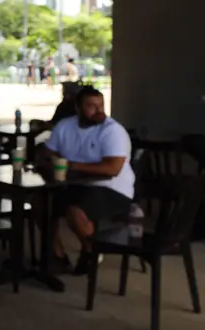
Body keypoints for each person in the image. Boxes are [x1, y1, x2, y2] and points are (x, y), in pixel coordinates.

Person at [42, 86, 135, 275]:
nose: (98, 110)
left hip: (112, 188)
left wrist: (72, 165)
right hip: (75, 184)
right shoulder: (65, 126)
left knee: (75, 211)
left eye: (101, 105)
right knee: (41, 204)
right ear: (77, 108)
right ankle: (58, 255)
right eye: (91, 106)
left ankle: (90, 250)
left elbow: (113, 169)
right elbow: (47, 152)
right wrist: (50, 161)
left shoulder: (112, 131)